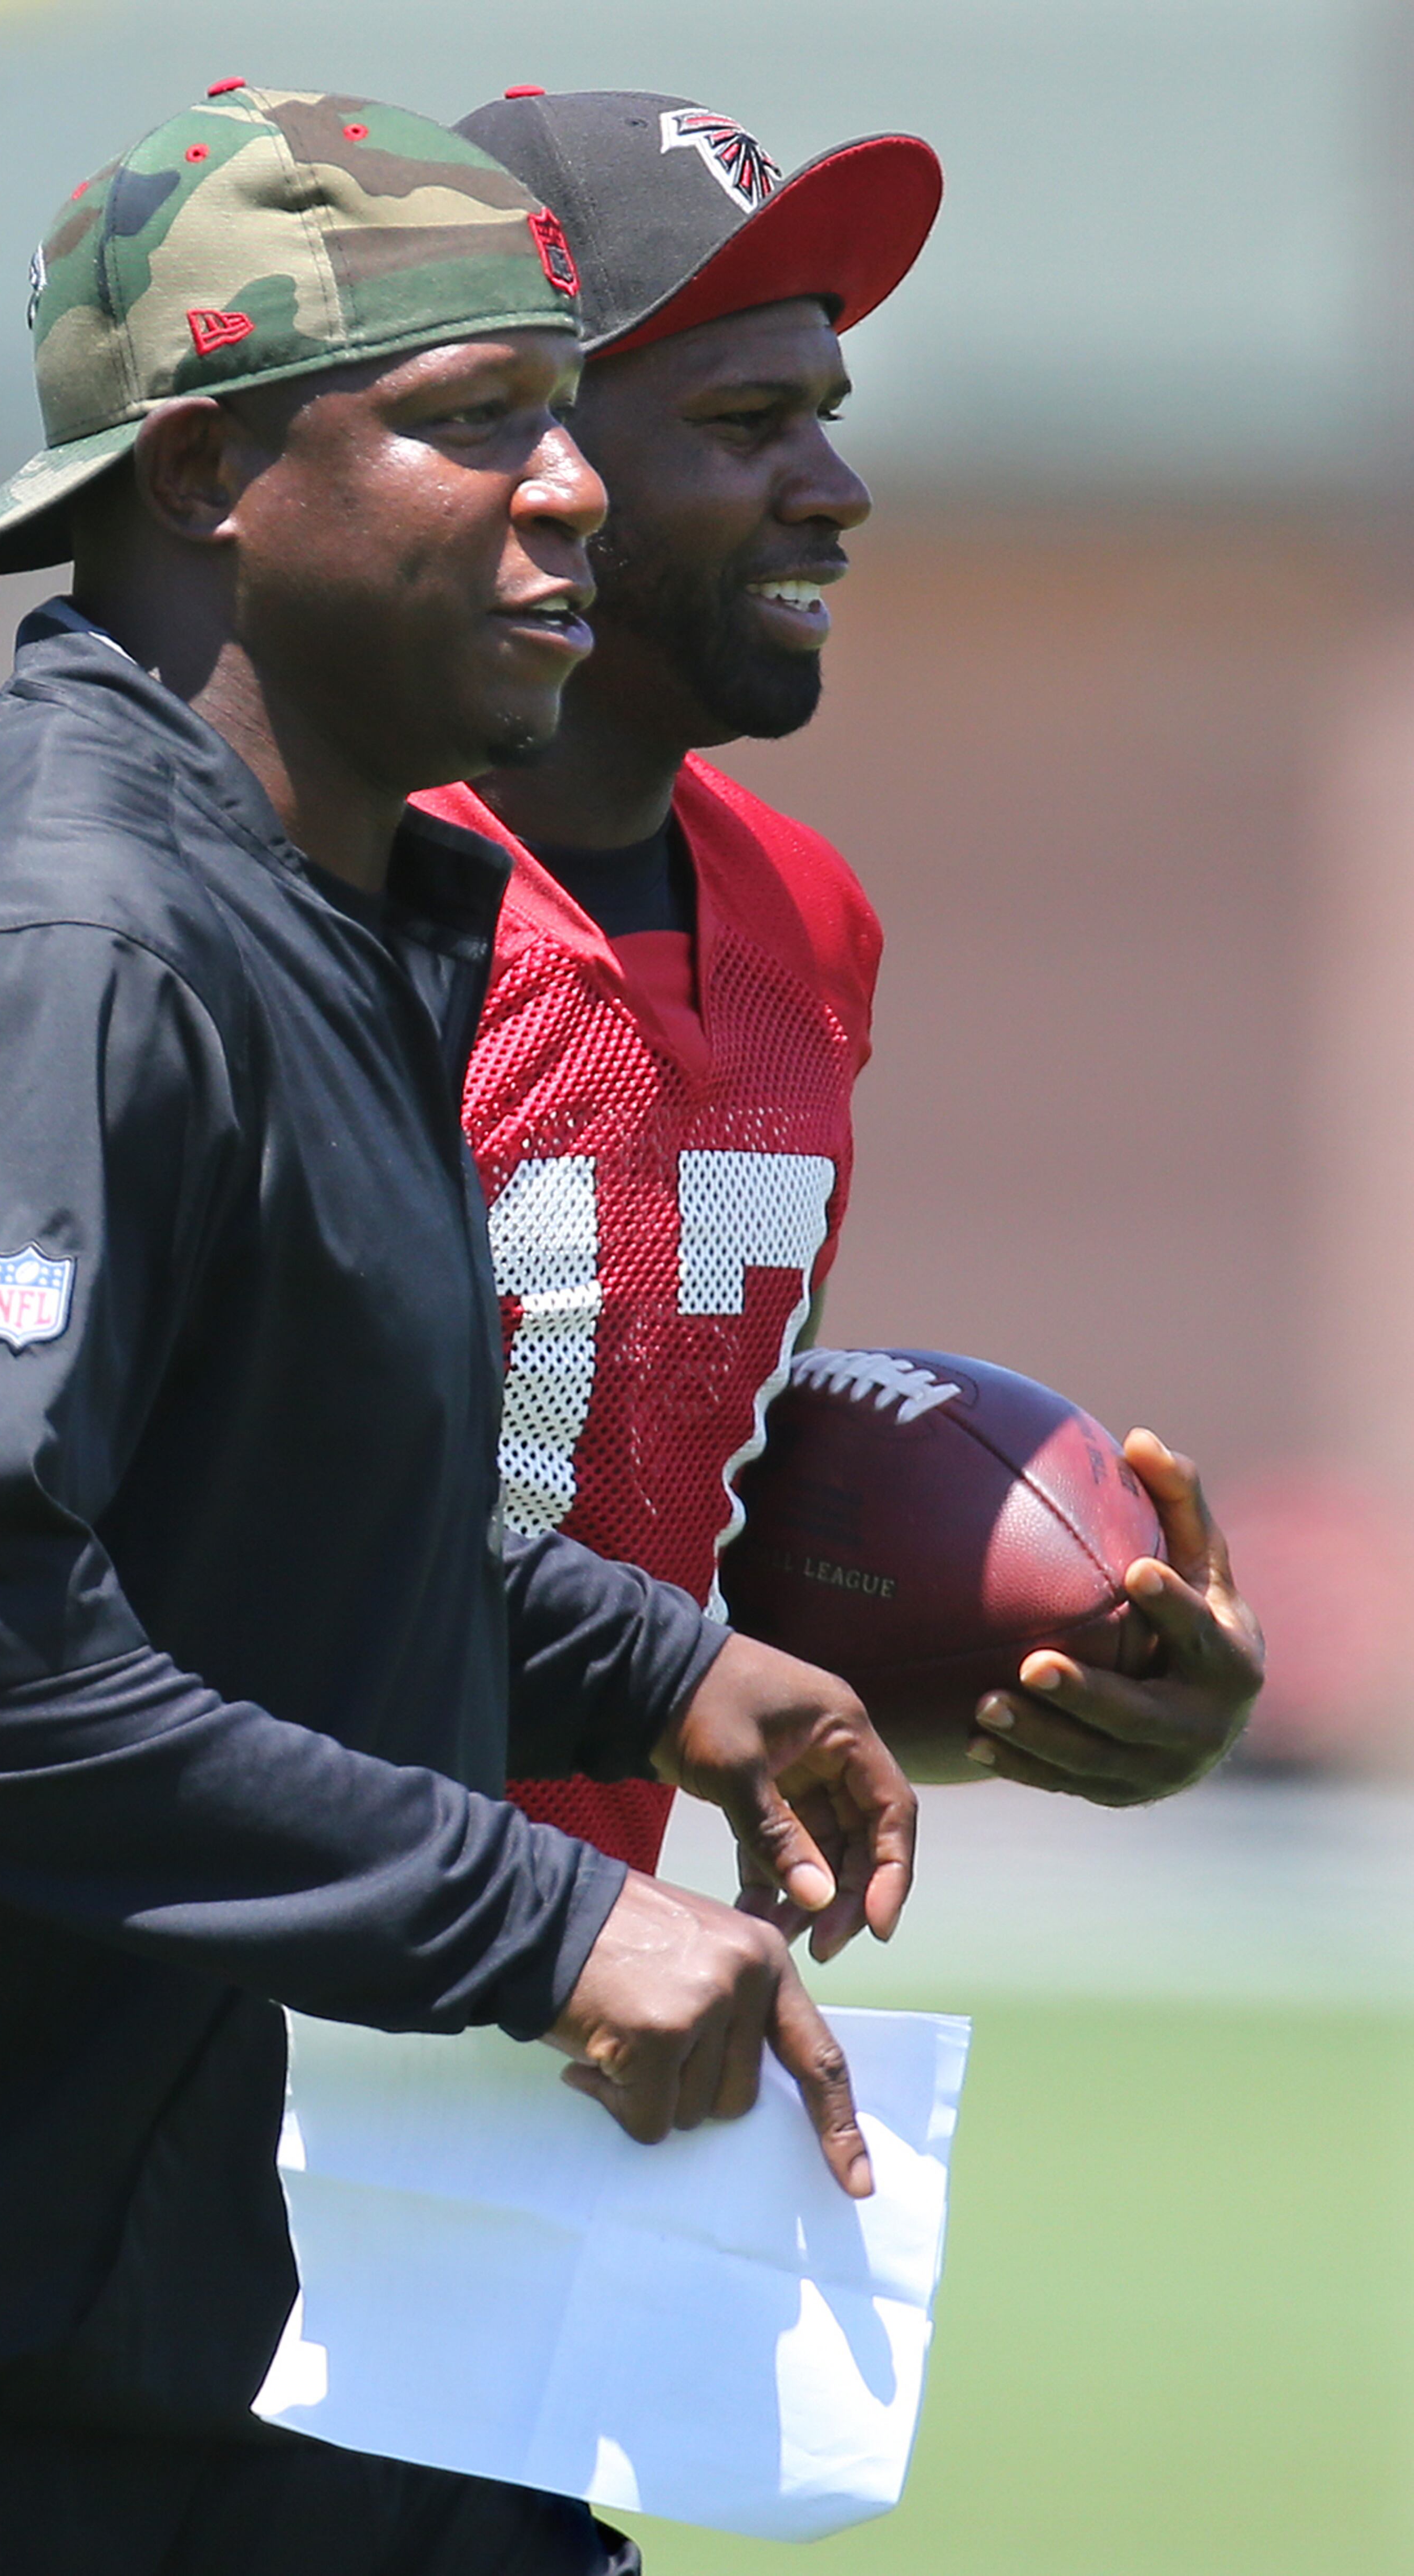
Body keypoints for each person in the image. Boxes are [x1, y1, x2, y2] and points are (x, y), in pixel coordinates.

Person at [0, 86, 917, 2576]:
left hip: (197, 2345)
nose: (569, 485)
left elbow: (244, 1512)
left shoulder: (330, 919)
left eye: (572, 409)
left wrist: (644, 1661)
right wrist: (544, 1909)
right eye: (471, 420)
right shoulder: (56, 951)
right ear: (211, 471)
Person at [422, 88, 1264, 1905]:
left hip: (604, 2002)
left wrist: (1064, 1668)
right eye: (745, 422)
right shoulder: (308, 897)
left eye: (828, 415)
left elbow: (676, 1496)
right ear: (523, 459)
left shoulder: (807, 919)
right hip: (264, 2001)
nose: (836, 486)